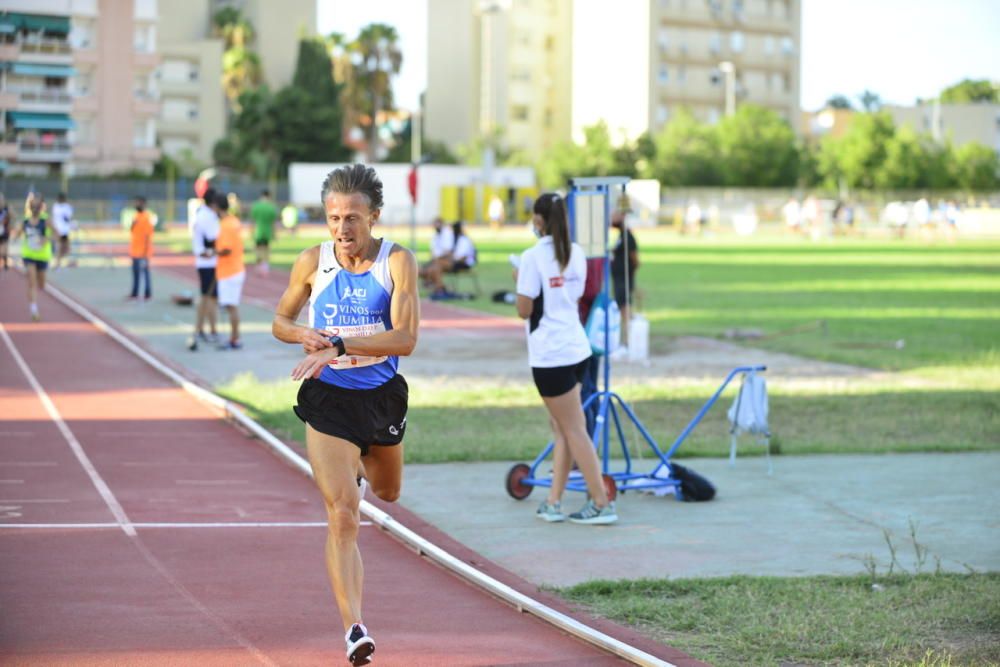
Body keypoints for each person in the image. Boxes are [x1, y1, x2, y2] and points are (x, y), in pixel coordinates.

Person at [272, 164, 419, 665]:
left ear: (374, 217)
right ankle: (354, 628)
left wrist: (338, 340)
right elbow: (280, 320)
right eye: (333, 217)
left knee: (387, 492)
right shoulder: (312, 263)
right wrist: (302, 335)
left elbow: (405, 339)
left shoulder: (398, 263)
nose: (342, 228)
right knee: (343, 515)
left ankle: (357, 463)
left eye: (353, 217)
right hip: (329, 400)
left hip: (380, 398)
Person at [515, 192, 617, 526]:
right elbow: (573, 296)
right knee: (563, 428)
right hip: (576, 348)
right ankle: (553, 501)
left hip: (550, 354)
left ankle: (601, 503)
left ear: (539, 220)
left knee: (574, 429)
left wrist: (519, 286)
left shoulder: (533, 257)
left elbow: (524, 309)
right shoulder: (578, 253)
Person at [188, 187, 220, 351]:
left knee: (207, 297)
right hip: (208, 262)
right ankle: (208, 330)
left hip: (205, 261)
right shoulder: (208, 216)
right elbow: (214, 238)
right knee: (209, 298)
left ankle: (201, 329)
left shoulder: (202, 214)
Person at [10, 195, 52, 321]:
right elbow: (16, 235)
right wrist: (16, 232)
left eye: (37, 206)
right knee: (31, 282)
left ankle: (34, 306)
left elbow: (56, 234)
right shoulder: (25, 221)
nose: (35, 209)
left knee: (41, 285)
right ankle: (34, 310)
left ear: (41, 208)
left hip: (42, 256)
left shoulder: (46, 220)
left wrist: (46, 239)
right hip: (28, 256)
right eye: (33, 206)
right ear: (30, 208)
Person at [214, 193, 246, 350]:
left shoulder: (225, 224)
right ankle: (234, 337)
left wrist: (213, 252)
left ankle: (234, 338)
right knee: (230, 306)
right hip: (235, 268)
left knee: (231, 306)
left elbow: (226, 249)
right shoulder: (234, 221)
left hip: (229, 270)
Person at [610, 209, 639, 349]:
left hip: (624, 279)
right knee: (622, 306)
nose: (612, 218)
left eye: (614, 215)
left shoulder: (628, 236)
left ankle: (629, 339)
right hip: (618, 278)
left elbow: (635, 258)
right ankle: (625, 338)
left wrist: (629, 271)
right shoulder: (621, 236)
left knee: (625, 307)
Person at [128, 196, 154, 301]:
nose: (136, 205)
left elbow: (148, 236)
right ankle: (135, 293)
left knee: (145, 273)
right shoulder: (136, 216)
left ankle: (147, 293)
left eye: (138, 203)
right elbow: (132, 231)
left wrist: (145, 253)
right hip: (134, 251)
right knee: (135, 273)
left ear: (144, 204)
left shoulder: (146, 217)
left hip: (143, 252)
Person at [418, 216, 454, 286]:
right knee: (419, 269)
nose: (436, 226)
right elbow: (432, 251)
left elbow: (448, 251)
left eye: (437, 224)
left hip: (446, 260)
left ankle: (439, 288)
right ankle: (432, 283)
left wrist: (437, 258)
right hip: (435, 260)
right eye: (435, 224)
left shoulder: (447, 234)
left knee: (434, 268)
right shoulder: (435, 236)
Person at [250, 189, 278, 274]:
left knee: (258, 249)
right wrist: (274, 233)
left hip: (258, 231)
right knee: (266, 249)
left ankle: (258, 264)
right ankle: (265, 266)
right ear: (269, 196)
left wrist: (251, 232)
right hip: (267, 231)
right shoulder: (271, 207)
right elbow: (273, 223)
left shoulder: (256, 206)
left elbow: (253, 221)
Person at [51, 192, 74, 269]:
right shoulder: (67, 207)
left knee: (63, 248)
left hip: (58, 229)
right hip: (62, 230)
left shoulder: (55, 206)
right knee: (63, 248)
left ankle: (59, 263)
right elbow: (67, 218)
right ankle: (58, 263)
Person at [0, 194, 10, 271]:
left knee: (4, 251)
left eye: (1, 200)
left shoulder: (7, 209)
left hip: (4, 233)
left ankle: (5, 263)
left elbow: (14, 216)